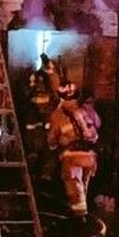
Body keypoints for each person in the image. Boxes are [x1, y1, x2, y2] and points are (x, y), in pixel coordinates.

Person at [47, 83, 101, 218]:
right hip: (90, 156)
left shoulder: (58, 115)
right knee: (83, 186)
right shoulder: (87, 111)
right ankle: (84, 213)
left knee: (74, 187)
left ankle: (80, 219)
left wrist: (52, 147)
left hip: (72, 156)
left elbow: (52, 139)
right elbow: (98, 125)